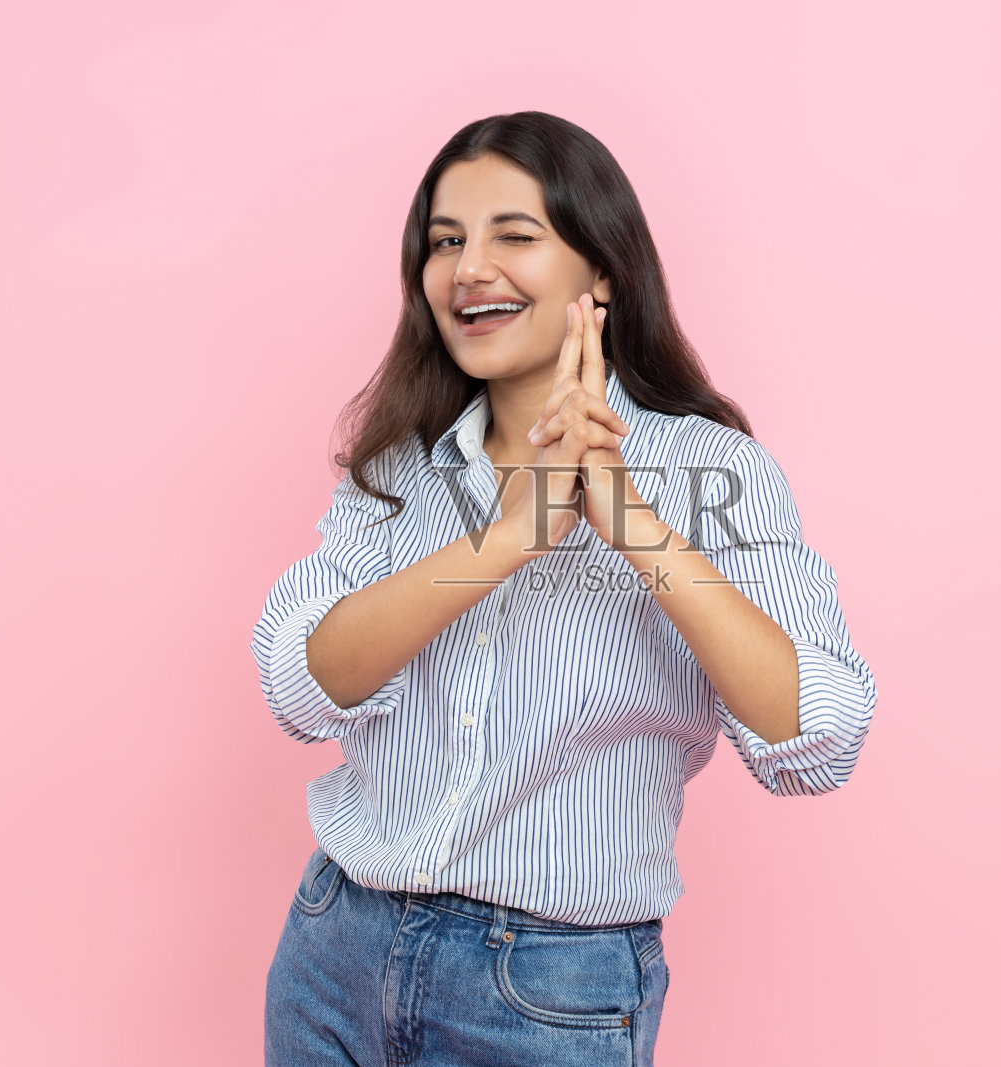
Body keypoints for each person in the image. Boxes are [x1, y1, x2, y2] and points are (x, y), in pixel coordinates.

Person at [253, 111, 878, 1067]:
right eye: (446, 241)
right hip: (337, 945)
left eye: (515, 235)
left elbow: (819, 735)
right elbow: (302, 684)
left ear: (602, 271)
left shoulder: (712, 472)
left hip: (551, 986)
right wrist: (505, 539)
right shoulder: (403, 467)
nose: (469, 269)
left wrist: (628, 522)